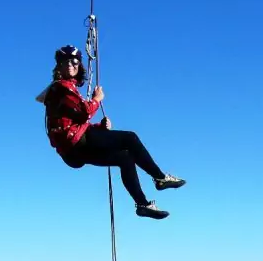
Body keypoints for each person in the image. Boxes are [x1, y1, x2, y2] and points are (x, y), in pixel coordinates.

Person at [42, 45, 185, 219]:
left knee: (124, 157)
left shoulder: (65, 90)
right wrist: (97, 99)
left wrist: (99, 127)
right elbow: (85, 111)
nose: (72, 65)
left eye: (75, 62)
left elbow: (75, 121)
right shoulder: (62, 88)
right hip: (77, 143)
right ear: (59, 65)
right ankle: (161, 178)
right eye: (67, 61)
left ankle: (143, 205)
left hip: (73, 151)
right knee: (130, 138)